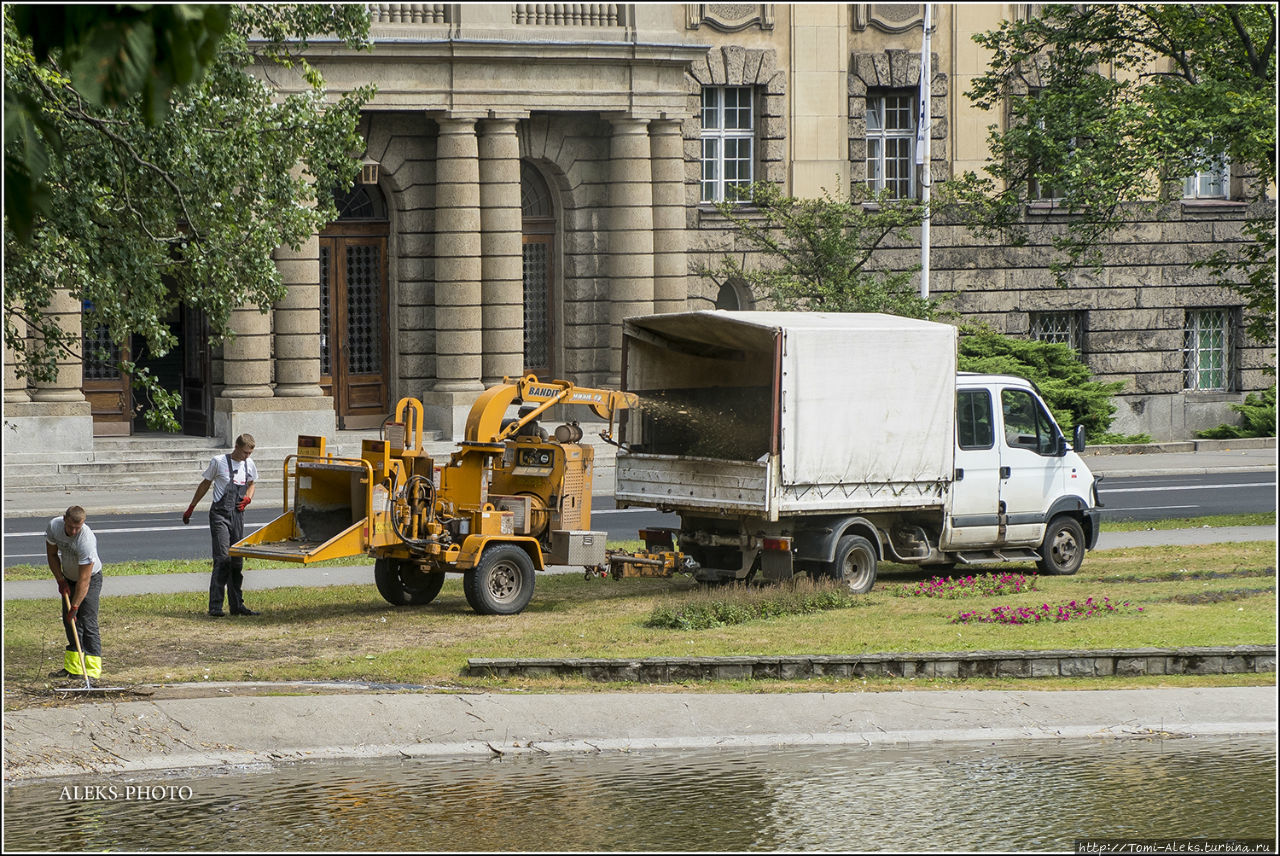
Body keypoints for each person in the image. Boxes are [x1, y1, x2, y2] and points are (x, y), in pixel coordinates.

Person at [184, 433, 259, 617]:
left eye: (249, 453)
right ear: (236, 447)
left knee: (237, 561)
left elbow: (251, 484)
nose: (247, 456)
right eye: (244, 453)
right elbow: (205, 484)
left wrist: (248, 498)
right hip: (220, 515)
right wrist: (191, 508)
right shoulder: (218, 462)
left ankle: (237, 606)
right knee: (222, 559)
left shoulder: (249, 464)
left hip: (238, 515)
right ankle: (215, 606)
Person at [45, 506, 104, 684]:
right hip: (69, 578)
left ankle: (92, 671)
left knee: (87, 621)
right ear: (65, 519)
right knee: (70, 623)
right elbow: (52, 555)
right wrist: (60, 580)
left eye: (77, 528)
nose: (73, 531)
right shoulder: (54, 526)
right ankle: (75, 669)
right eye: (71, 527)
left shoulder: (86, 540)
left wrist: (76, 606)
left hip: (90, 580)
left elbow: (84, 581)